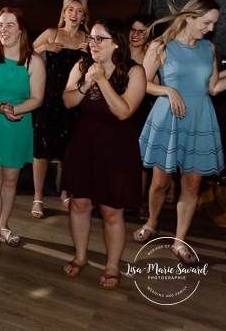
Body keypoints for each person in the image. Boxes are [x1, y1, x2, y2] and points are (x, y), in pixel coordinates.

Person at [133, 0, 226, 265]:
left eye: (214, 23)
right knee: (160, 183)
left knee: (191, 186)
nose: (210, 28)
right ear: (189, 17)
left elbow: (213, 88)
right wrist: (167, 89)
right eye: (206, 22)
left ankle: (179, 241)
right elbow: (141, 83)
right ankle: (153, 222)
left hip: (200, 119)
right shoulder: (161, 46)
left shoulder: (208, 48)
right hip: (169, 118)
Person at [60, 19, 146, 290]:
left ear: (116, 43)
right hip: (84, 141)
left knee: (111, 211)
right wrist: (86, 83)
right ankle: (81, 256)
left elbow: (123, 112)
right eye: (91, 39)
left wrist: (101, 80)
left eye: (100, 39)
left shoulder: (135, 72)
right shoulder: (82, 65)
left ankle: (112, 266)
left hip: (116, 147)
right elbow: (67, 100)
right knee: (79, 204)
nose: (93, 44)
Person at [0, 7, 45, 257]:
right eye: (1, 24)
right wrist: (1, 107)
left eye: (10, 25)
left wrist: (14, 109)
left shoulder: (34, 61)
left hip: (18, 122)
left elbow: (37, 98)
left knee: (10, 180)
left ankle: (4, 225)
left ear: (21, 29)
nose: (4, 30)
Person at [30, 0, 89, 218]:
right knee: (41, 150)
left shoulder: (88, 38)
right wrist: (45, 46)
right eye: (70, 10)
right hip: (48, 99)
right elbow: (25, 55)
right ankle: (38, 197)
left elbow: (100, 65)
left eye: (79, 11)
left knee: (70, 151)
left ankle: (66, 191)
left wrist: (90, 53)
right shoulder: (51, 33)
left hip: (74, 101)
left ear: (84, 16)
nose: (74, 14)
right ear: (64, 13)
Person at [126, 15, 165, 220]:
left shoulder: (152, 56)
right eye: (133, 30)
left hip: (141, 109)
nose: (136, 35)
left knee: (139, 158)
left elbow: (155, 86)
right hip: (117, 105)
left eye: (142, 31)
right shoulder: (119, 51)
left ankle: (138, 202)